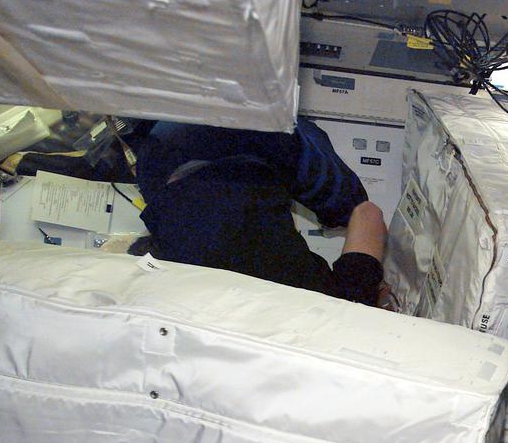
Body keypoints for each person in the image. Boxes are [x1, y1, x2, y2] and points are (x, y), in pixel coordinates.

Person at [133, 118, 388, 306]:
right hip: (161, 160)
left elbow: (368, 215)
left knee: (351, 206)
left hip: (256, 140)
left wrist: (370, 283)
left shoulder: (337, 312)